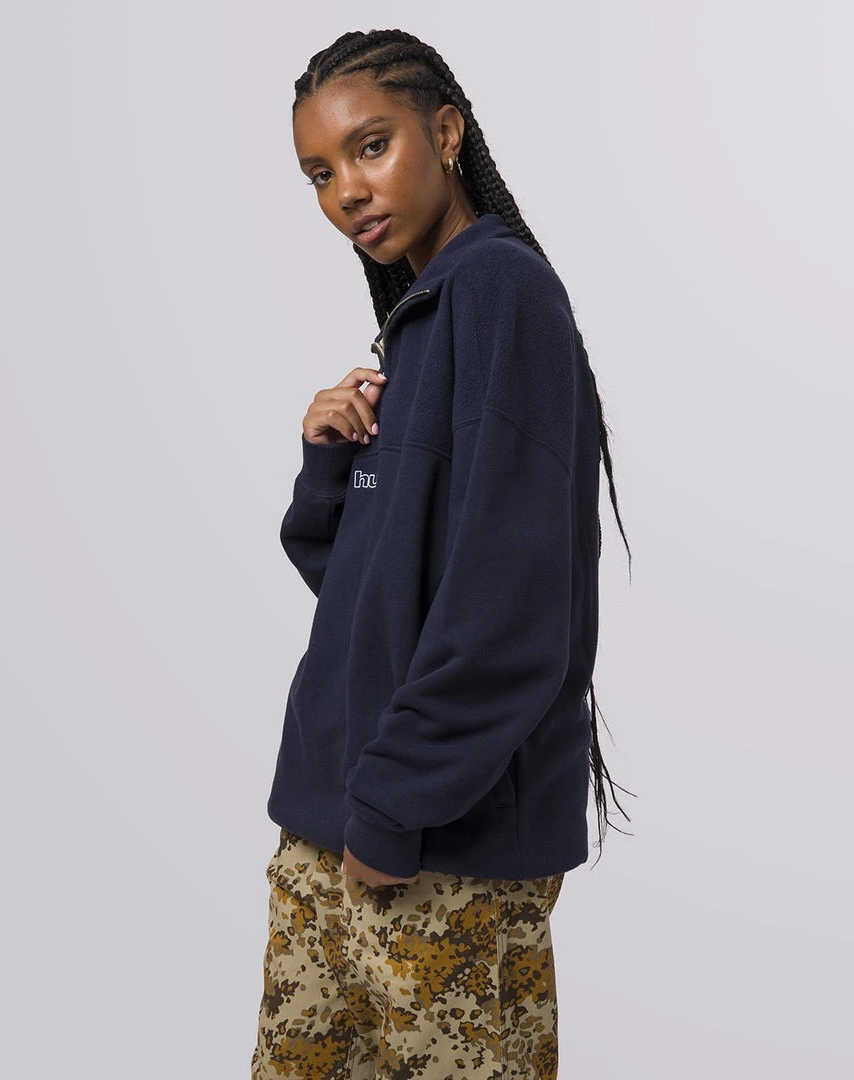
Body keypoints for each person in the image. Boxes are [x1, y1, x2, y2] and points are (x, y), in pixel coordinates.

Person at [251, 28, 634, 1080]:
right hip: (333, 829)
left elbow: (511, 610)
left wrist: (393, 804)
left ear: (448, 131)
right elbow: (370, 594)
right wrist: (328, 463)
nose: (347, 192)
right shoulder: (420, 322)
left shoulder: (500, 293)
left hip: (431, 846)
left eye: (371, 146)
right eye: (320, 174)